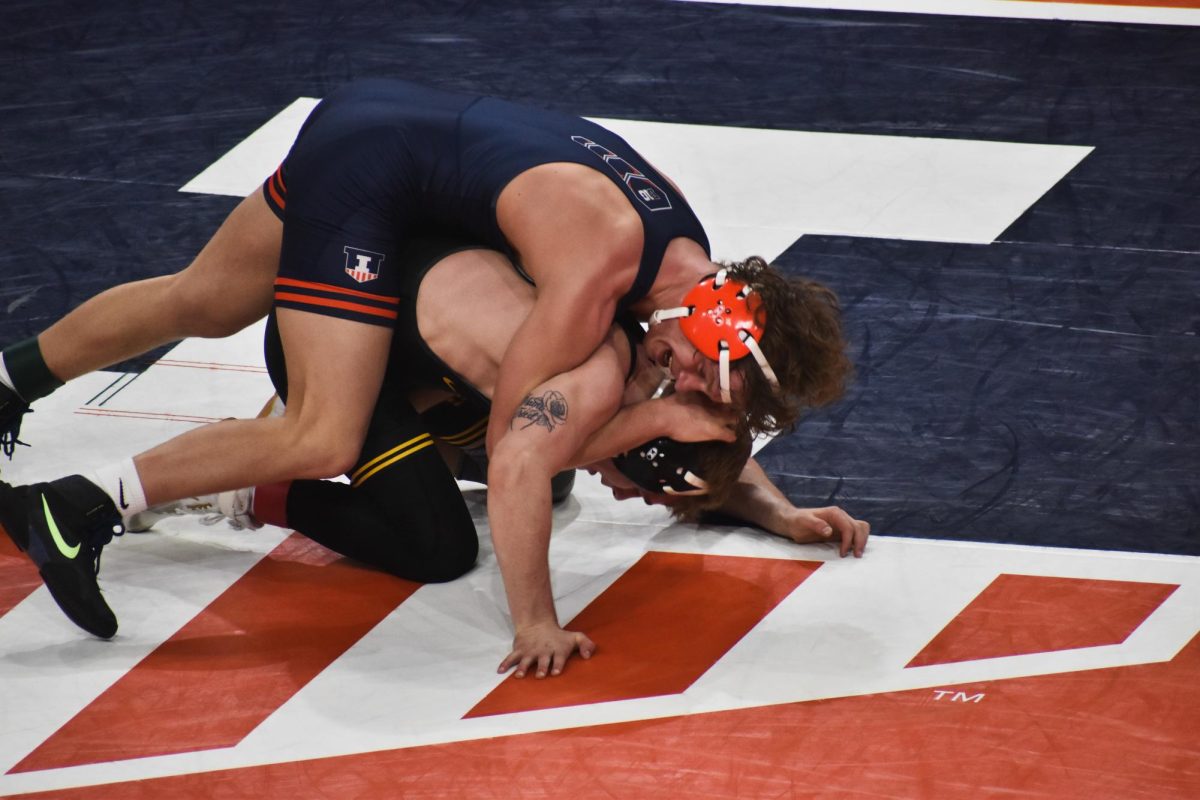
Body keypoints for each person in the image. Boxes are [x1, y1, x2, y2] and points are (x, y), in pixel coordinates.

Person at [0, 78, 852, 674]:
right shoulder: (598, 276)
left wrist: (770, 505)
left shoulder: (686, 267)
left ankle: (10, 380)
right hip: (371, 179)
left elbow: (687, 412)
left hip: (388, 125)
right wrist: (539, 615)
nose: (682, 389)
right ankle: (79, 504)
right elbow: (517, 435)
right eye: (698, 379)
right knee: (324, 435)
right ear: (713, 330)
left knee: (204, 300)